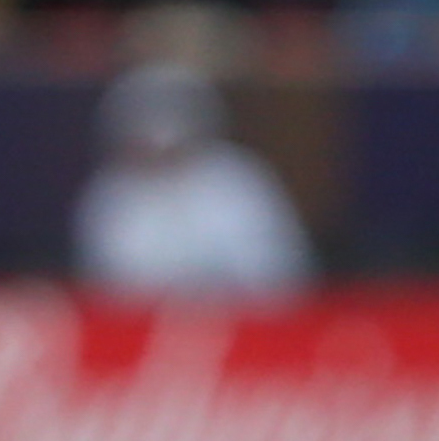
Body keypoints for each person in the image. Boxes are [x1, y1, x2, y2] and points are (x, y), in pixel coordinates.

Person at [71, 59, 313, 299]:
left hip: (242, 322)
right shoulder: (109, 191)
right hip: (136, 328)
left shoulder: (239, 180)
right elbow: (103, 283)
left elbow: (277, 271)